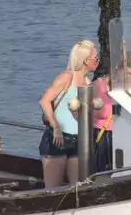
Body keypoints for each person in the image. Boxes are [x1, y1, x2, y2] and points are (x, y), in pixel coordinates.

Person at [38, 39, 99, 188]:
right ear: (86, 61)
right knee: (53, 189)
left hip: (79, 140)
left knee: (78, 188)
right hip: (57, 139)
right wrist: (55, 126)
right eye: (95, 58)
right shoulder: (66, 77)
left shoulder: (89, 84)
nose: (98, 61)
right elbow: (44, 101)